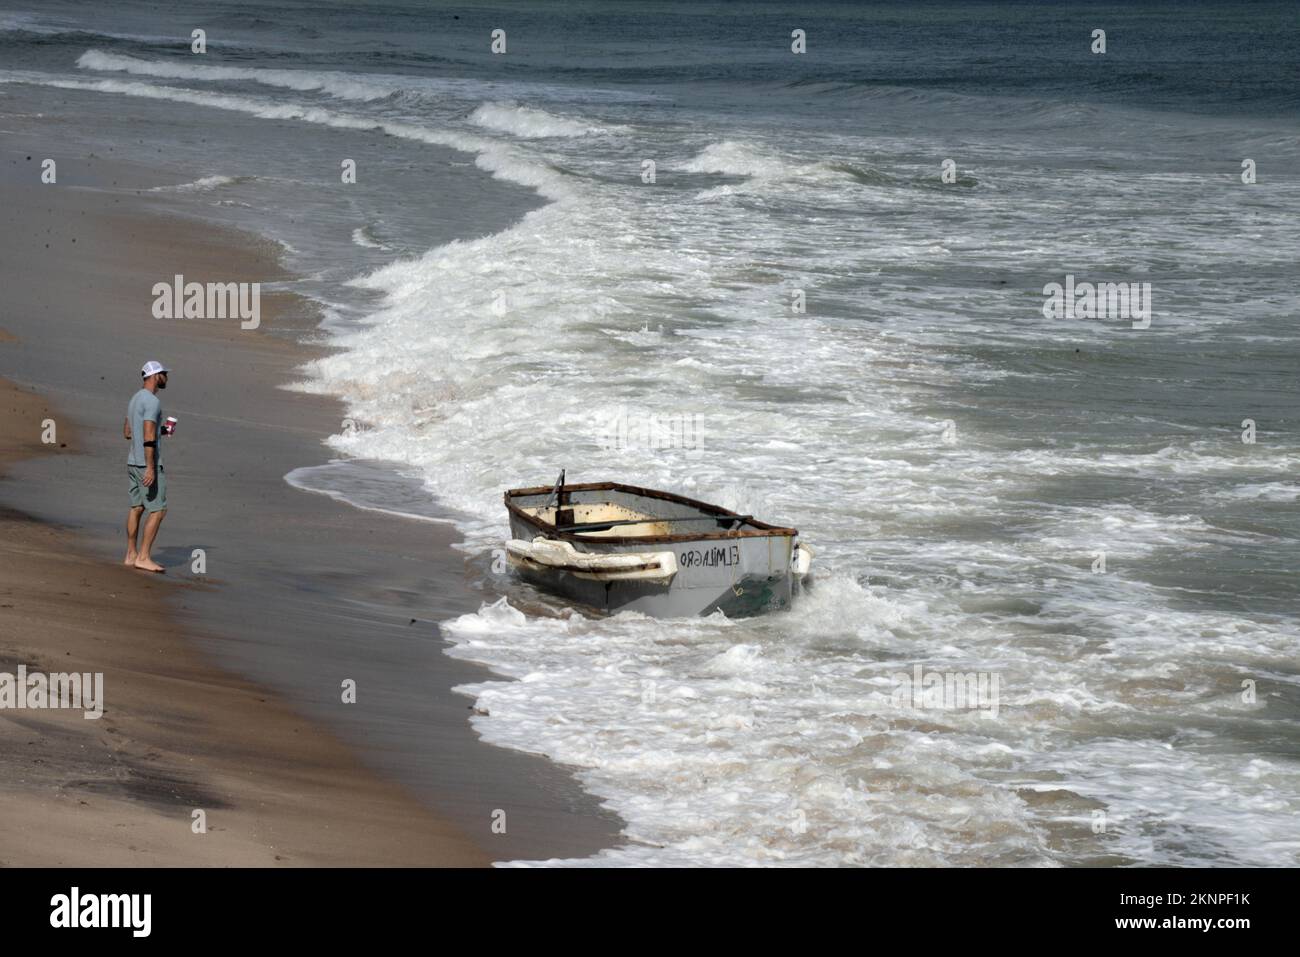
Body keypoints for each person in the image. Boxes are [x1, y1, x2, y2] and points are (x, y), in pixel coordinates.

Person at [123, 360, 171, 572]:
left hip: (133, 461)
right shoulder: (152, 402)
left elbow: (128, 431)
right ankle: (143, 557)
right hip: (146, 464)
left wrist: (161, 431)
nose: (166, 377)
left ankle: (131, 554)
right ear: (154, 376)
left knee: (137, 507)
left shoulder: (135, 399)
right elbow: (148, 435)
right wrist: (151, 467)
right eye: (163, 374)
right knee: (159, 510)